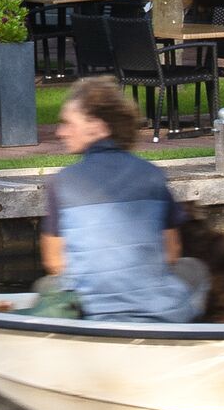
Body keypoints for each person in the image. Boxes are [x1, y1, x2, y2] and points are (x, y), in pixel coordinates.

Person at [25, 79, 195, 319]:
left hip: (95, 315)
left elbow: (54, 262)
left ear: (97, 127)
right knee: (195, 270)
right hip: (160, 314)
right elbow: (172, 252)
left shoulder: (62, 182)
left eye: (67, 123)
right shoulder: (153, 174)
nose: (60, 131)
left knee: (45, 287)